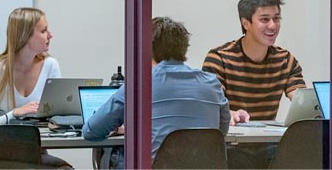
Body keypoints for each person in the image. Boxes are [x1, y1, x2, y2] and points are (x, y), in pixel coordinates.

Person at [83, 17, 230, 168]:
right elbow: (221, 130)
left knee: (112, 154)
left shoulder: (140, 83)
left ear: (148, 48)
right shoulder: (212, 83)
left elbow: (91, 131)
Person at [202, 0, 307, 168]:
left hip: (270, 146)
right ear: (246, 23)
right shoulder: (219, 57)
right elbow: (210, 105)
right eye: (265, 19)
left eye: (277, 18)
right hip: (231, 147)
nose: (273, 26)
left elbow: (301, 99)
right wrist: (230, 114)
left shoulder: (285, 59)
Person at [0, 7, 71, 169]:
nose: (50, 35)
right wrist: (15, 113)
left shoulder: (50, 65)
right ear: (25, 35)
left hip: (35, 153)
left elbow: (59, 113)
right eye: (43, 31)